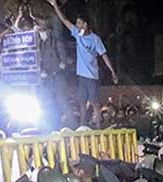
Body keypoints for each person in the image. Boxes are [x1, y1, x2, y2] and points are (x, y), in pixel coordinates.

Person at [47, 0, 118, 128]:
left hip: (92, 76)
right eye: (77, 23)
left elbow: (104, 55)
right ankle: (82, 125)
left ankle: (97, 126)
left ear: (85, 24)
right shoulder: (77, 34)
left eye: (79, 23)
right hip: (81, 76)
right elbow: (64, 20)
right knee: (82, 102)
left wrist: (112, 71)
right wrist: (55, 5)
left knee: (94, 102)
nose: (77, 25)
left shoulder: (95, 39)